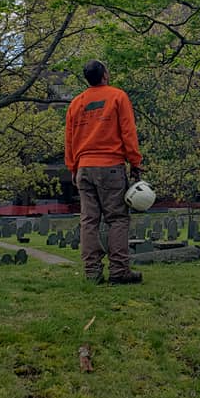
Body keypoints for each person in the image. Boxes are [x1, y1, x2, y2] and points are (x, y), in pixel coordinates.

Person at [65, 59, 143, 284]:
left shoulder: (76, 104)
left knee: (89, 221)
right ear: (105, 75)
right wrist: (135, 162)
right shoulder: (117, 96)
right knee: (117, 218)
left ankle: (92, 272)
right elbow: (128, 131)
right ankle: (119, 270)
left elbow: (69, 140)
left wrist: (73, 167)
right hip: (110, 166)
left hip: (84, 168)